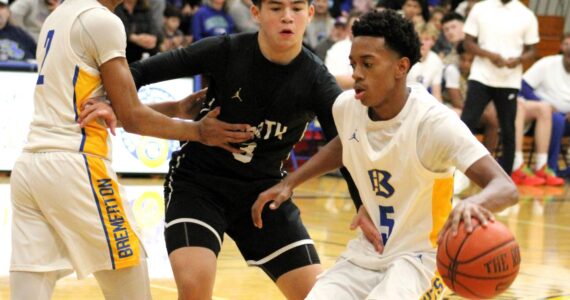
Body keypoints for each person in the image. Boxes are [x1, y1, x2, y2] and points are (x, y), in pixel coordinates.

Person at [97, 0, 363, 298]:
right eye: (276, 8)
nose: (287, 17)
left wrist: (361, 205)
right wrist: (107, 102)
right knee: (195, 288)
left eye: (297, 8)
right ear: (256, 13)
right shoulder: (225, 50)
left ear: (310, 14)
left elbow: (345, 147)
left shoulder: (316, 79)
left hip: (264, 192)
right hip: (198, 184)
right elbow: (138, 71)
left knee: (317, 294)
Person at [251, 10, 518, 299]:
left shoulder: (434, 123)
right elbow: (344, 144)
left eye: (368, 64)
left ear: (401, 67)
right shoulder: (347, 107)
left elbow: (506, 187)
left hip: (422, 259)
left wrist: (475, 203)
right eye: (353, 64)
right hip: (367, 252)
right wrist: (290, 182)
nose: (356, 74)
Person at [9, 0, 252, 299]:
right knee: (131, 287)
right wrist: (198, 132)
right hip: (76, 164)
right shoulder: (103, 22)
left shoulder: (59, 15)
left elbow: (99, 111)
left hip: (31, 167)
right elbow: (133, 117)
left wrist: (175, 108)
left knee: (30, 289)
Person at [460, 0, 539, 176]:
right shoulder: (481, 8)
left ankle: (506, 177)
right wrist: (490, 55)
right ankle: (454, 170)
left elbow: (533, 50)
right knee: (465, 125)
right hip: (481, 76)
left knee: (508, 130)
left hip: (509, 80)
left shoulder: (526, 15)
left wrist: (518, 60)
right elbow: (467, 43)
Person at [520, 32, 570, 179]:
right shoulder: (547, 63)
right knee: (556, 120)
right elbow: (524, 85)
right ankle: (550, 169)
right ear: (561, 46)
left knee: (560, 120)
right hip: (541, 117)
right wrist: (543, 105)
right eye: (567, 44)